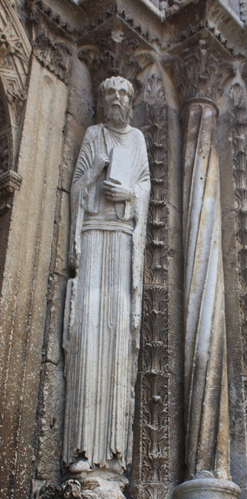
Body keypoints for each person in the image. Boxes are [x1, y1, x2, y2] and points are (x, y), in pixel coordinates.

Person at [62, 76, 150, 476]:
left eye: (122, 95)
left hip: (122, 240)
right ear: (100, 101)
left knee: (117, 338)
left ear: (130, 103)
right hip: (94, 239)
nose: (115, 100)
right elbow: (76, 186)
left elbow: (145, 188)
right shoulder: (94, 135)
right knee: (87, 333)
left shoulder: (137, 141)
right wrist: (95, 174)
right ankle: (82, 445)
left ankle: (113, 454)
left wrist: (130, 195)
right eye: (109, 94)